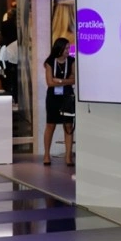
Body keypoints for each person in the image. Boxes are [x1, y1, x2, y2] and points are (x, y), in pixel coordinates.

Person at [43, 38, 75, 167]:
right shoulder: (50, 62)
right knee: (51, 125)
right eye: (66, 48)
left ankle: (68, 156)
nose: (68, 51)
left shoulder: (72, 61)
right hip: (53, 97)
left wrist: (60, 81)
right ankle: (46, 155)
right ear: (59, 48)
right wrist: (66, 81)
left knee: (68, 126)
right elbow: (50, 82)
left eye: (69, 48)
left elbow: (74, 79)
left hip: (67, 96)